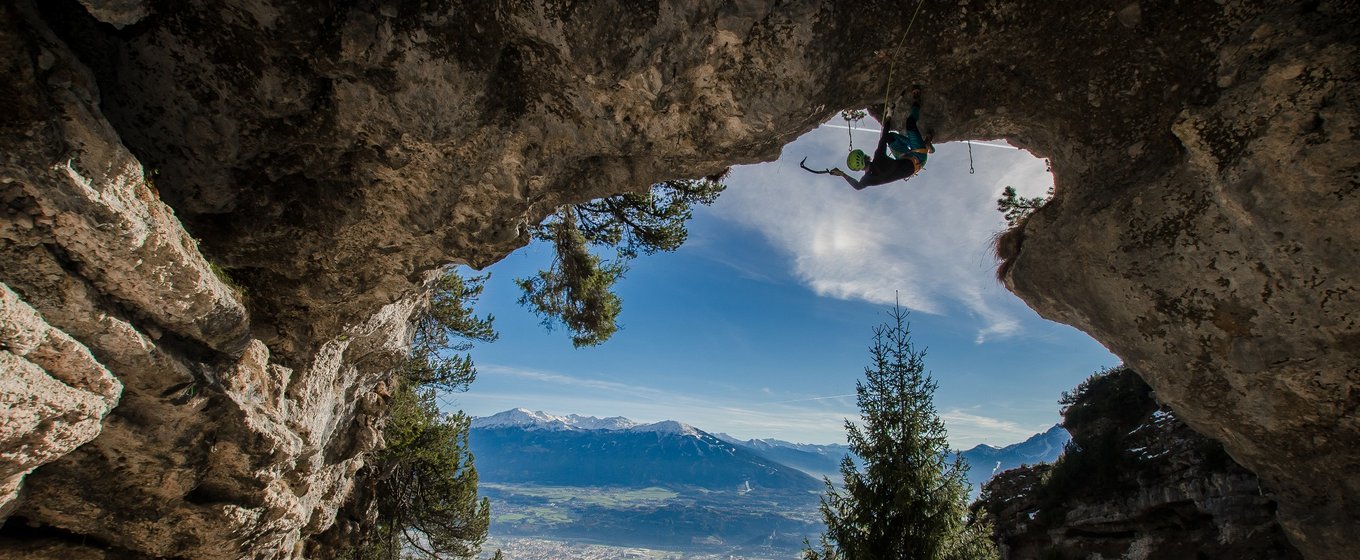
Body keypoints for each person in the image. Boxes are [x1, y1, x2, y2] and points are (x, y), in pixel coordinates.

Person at [828, 86, 934, 190]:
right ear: (865, 157)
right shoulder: (878, 158)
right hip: (919, 156)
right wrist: (889, 114)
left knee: (890, 138)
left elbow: (858, 186)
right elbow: (884, 135)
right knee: (909, 124)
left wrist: (842, 174)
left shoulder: (869, 179)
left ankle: (924, 144)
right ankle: (917, 101)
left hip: (908, 160)